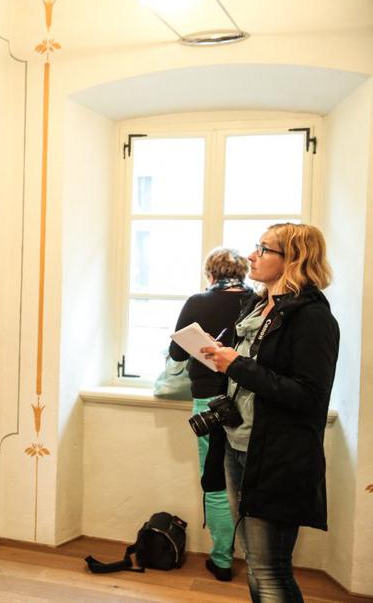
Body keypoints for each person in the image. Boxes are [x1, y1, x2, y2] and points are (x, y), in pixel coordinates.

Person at [202, 223, 339, 602]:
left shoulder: (313, 318)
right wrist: (223, 357)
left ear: (294, 258)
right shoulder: (257, 306)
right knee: (254, 561)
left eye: (264, 249)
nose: (251, 256)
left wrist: (237, 365)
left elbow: (309, 396)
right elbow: (257, 370)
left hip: (277, 454)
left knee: (270, 568)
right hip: (238, 443)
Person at [169, 248, 253, 582]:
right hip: (249, 400)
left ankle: (221, 560)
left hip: (208, 401)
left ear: (211, 273)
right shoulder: (258, 302)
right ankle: (260, 561)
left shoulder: (199, 302)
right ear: (244, 271)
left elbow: (177, 353)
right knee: (249, 481)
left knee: (216, 480)